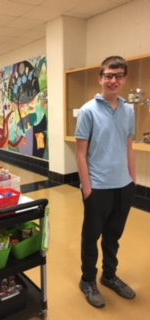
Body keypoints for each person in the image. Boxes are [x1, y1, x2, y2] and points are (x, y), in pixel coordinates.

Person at [75, 56, 136, 308]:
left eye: (119, 75)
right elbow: (80, 153)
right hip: (97, 187)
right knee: (92, 236)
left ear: (124, 80)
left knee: (113, 235)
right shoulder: (88, 110)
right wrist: (87, 188)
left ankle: (109, 275)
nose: (113, 80)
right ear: (101, 78)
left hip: (124, 186)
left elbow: (129, 146)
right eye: (109, 75)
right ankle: (88, 279)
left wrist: (133, 180)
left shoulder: (129, 110)